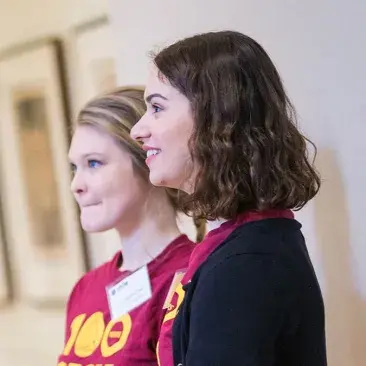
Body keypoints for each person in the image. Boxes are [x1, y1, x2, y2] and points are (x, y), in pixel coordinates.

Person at [131, 31, 327, 365]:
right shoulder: (249, 243)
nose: (137, 130)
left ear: (217, 116)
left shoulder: (247, 262)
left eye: (157, 108)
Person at [57, 86, 205, 366]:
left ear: (147, 162)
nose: (76, 185)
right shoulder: (86, 288)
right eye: (74, 168)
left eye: (94, 163)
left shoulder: (192, 277)